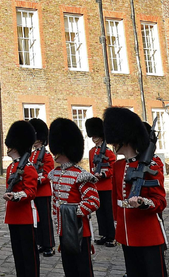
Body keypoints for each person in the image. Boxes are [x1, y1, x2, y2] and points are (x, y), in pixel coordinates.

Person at [103, 107, 167, 277]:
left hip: (147, 233)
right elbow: (115, 198)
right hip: (126, 232)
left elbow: (160, 200)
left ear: (125, 139)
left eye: (115, 141)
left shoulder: (150, 166)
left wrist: (143, 203)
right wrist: (118, 226)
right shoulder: (118, 166)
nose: (113, 144)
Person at [48, 118, 99, 277]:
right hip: (63, 231)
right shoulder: (55, 174)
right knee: (68, 269)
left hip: (79, 231)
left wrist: (70, 211)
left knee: (82, 269)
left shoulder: (81, 175)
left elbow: (93, 202)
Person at [2, 120, 40, 277]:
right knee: (18, 253)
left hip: (25, 216)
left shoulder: (28, 168)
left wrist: (16, 196)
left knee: (28, 254)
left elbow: (31, 191)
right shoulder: (11, 167)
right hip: (13, 216)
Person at [85, 116, 117, 247]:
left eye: (96, 136)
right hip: (97, 186)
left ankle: (112, 236)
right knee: (100, 212)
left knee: (109, 213)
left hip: (107, 186)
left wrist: (104, 174)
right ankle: (104, 234)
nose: (94, 138)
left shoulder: (108, 151)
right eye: (92, 136)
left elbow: (113, 167)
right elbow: (92, 167)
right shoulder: (92, 151)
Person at [28, 118, 56, 257]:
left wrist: (39, 179)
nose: (36, 141)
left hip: (43, 191)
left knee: (45, 220)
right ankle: (41, 242)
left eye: (38, 139)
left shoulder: (46, 155)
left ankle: (49, 245)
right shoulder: (31, 155)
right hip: (34, 192)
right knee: (37, 219)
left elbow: (48, 173)